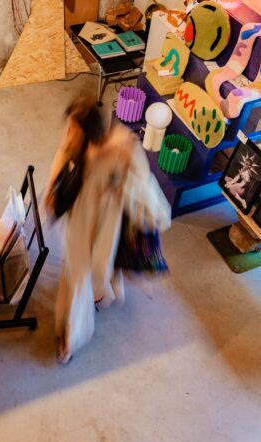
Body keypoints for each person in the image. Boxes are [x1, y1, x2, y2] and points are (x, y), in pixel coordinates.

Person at [45, 96, 171, 364]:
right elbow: (63, 152)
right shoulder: (77, 139)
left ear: (91, 130)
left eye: (75, 129)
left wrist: (120, 188)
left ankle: (104, 291)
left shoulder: (123, 144)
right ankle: (72, 336)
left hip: (109, 218)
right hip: (81, 214)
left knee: (99, 266)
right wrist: (51, 187)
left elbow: (143, 184)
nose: (70, 134)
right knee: (77, 272)